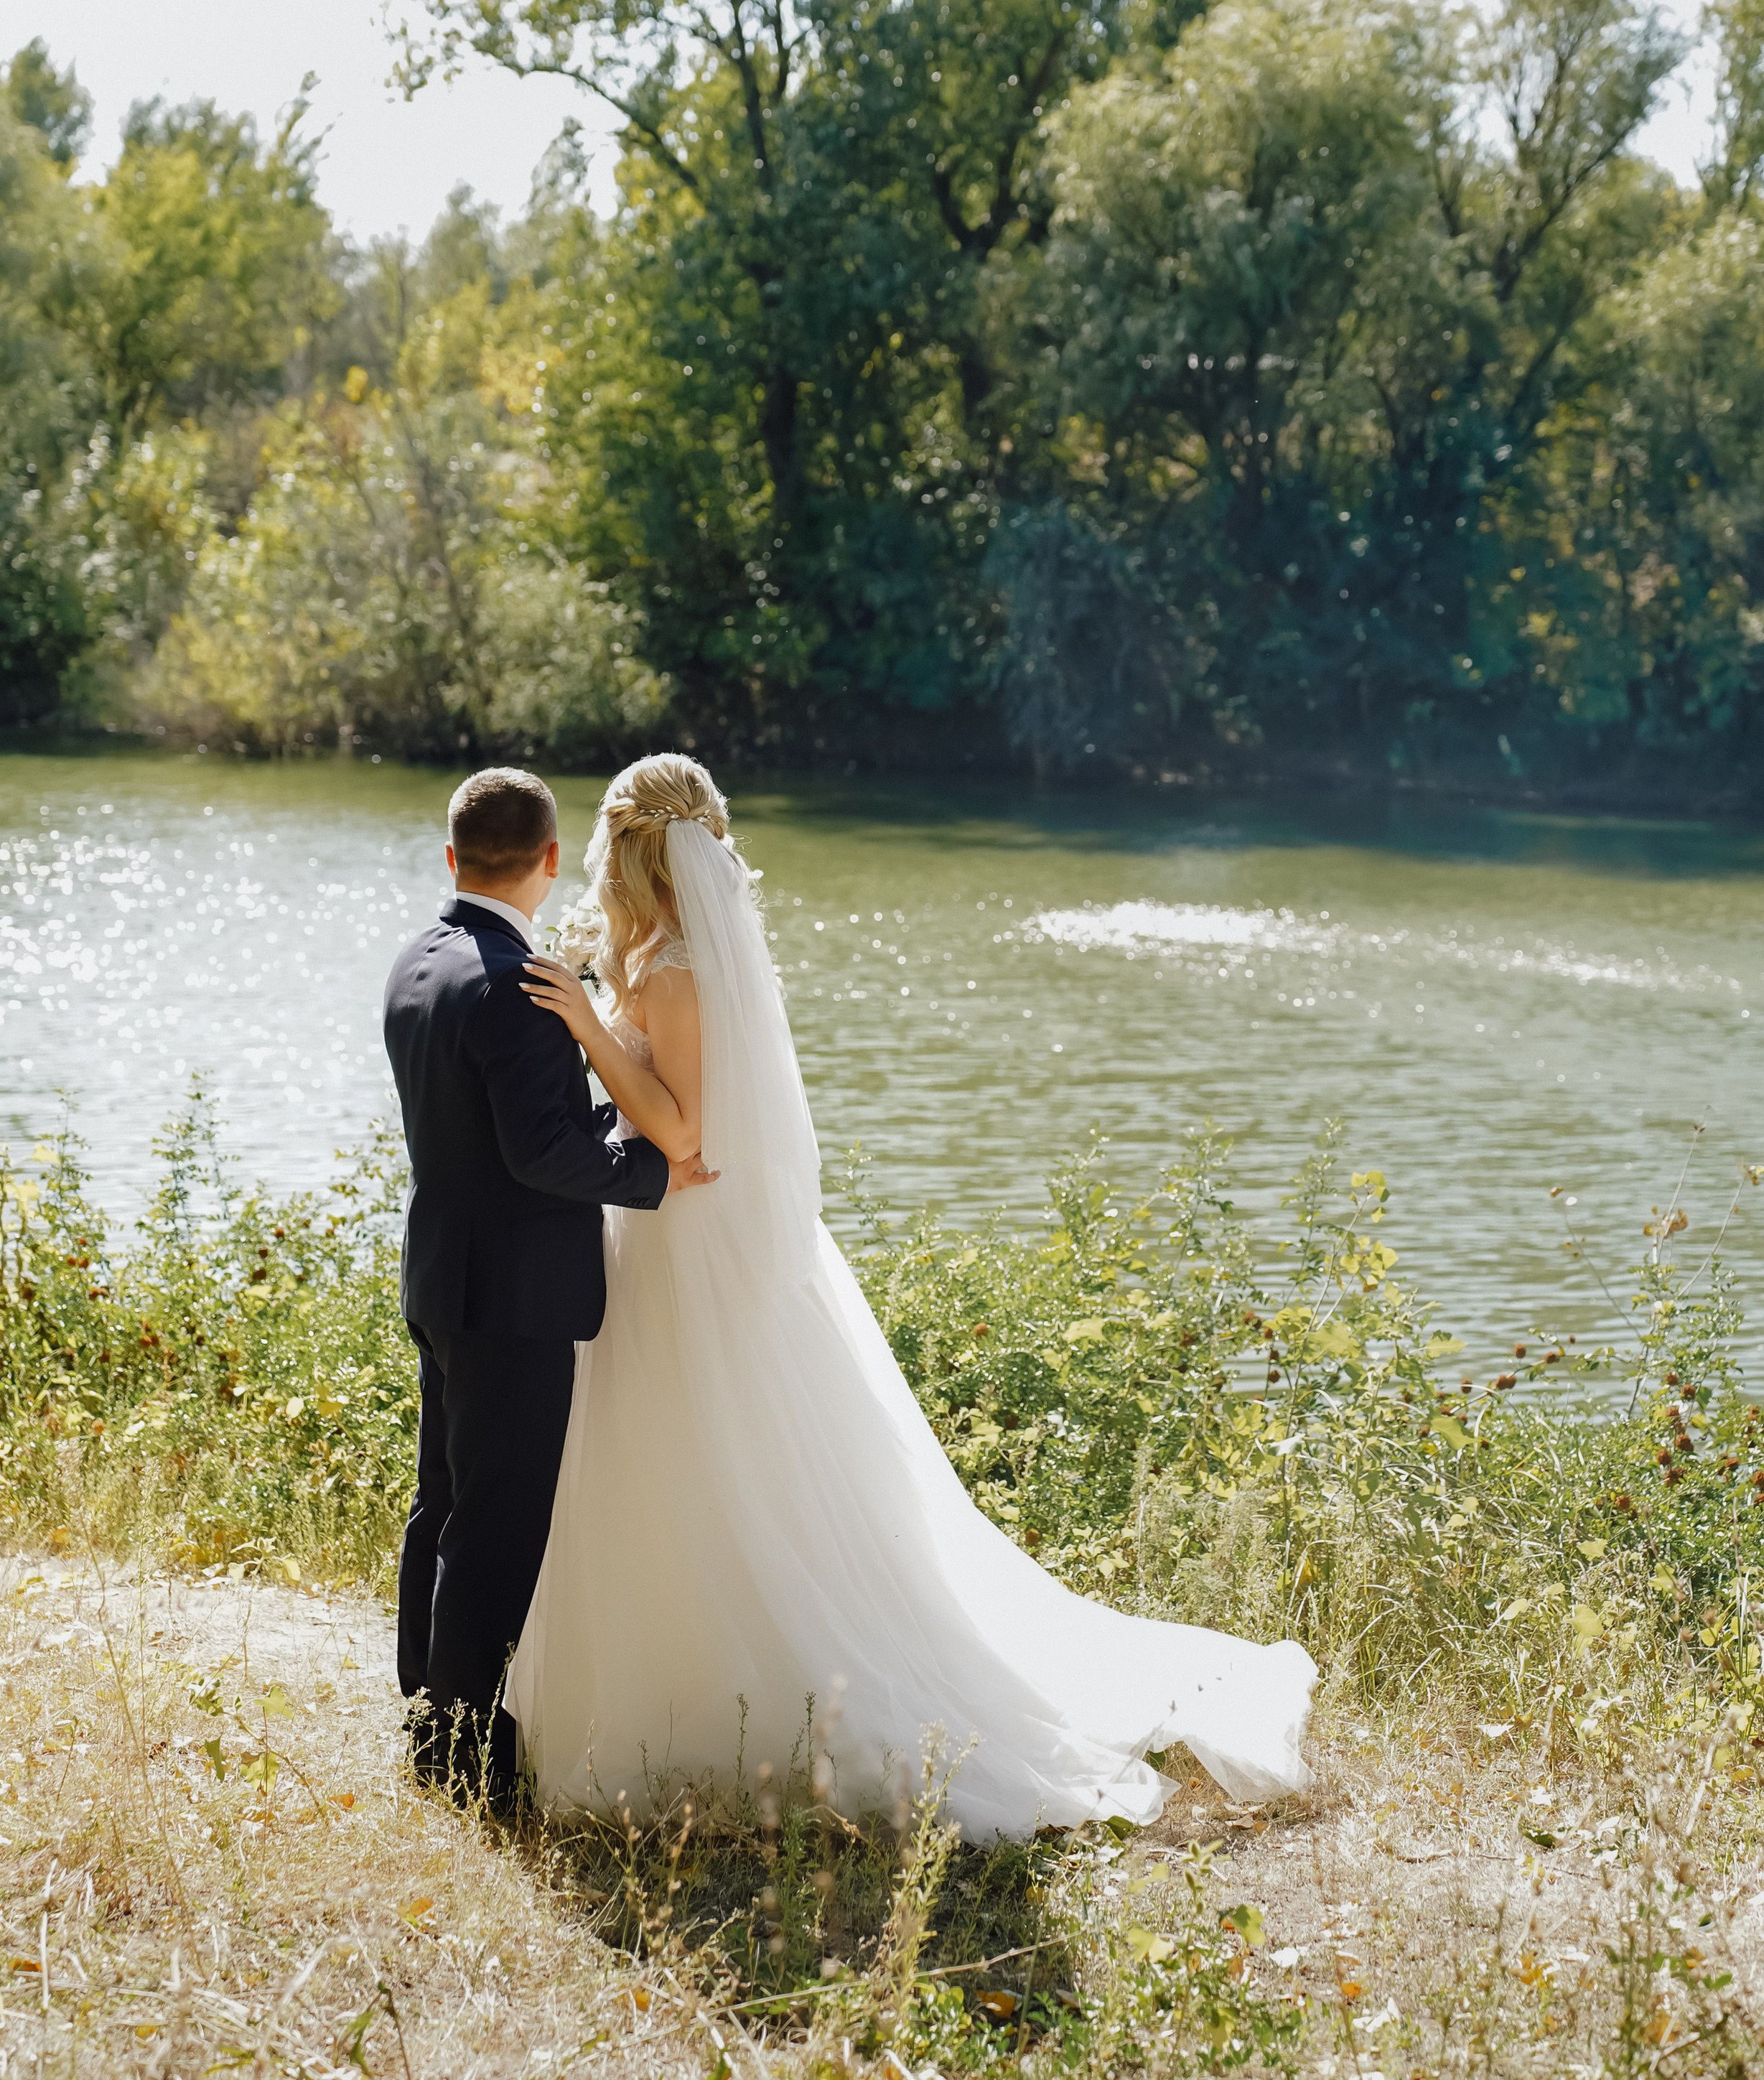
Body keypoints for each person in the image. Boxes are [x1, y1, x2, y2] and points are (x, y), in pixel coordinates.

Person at [504, 752, 1315, 1841]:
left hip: (692, 1248)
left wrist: (593, 1031)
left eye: (606, 852)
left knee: (717, 1460)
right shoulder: (655, 952)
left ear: (630, 854)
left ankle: (737, 1700)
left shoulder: (683, 969)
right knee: (661, 1459)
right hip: (661, 1234)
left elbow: (687, 1131)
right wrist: (603, 1004)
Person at [383, 765, 717, 1804]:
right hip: (517, 1295)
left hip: (445, 1277)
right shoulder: (515, 985)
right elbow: (543, 1155)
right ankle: (464, 1755)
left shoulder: (421, 962)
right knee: (499, 1519)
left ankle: (425, 1706)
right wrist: (649, 1172)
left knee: (443, 1504)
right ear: (549, 860)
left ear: (452, 857)